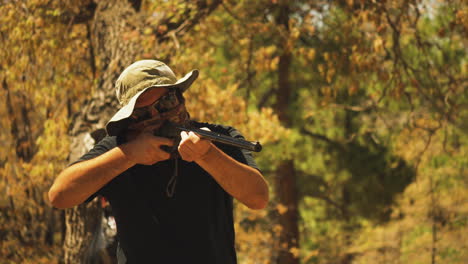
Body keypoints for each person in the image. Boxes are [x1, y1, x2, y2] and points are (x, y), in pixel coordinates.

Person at [48, 60, 269, 264]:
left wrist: (207, 155)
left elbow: (258, 197)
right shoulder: (119, 146)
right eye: (144, 113)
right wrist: (129, 155)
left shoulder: (216, 137)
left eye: (166, 101)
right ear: (130, 119)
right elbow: (60, 195)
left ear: (179, 97)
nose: (158, 114)